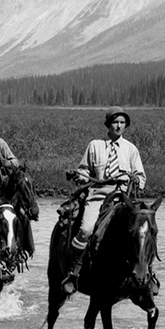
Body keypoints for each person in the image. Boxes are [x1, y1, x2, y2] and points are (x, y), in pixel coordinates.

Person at [61, 106, 146, 293]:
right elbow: (84, 170)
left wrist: (135, 179)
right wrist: (80, 176)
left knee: (143, 230)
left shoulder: (131, 149)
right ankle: (75, 270)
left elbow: (141, 177)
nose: (119, 126)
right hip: (99, 194)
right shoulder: (95, 146)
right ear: (108, 124)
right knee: (85, 229)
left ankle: (147, 274)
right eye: (115, 122)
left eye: (122, 123)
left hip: (123, 196)